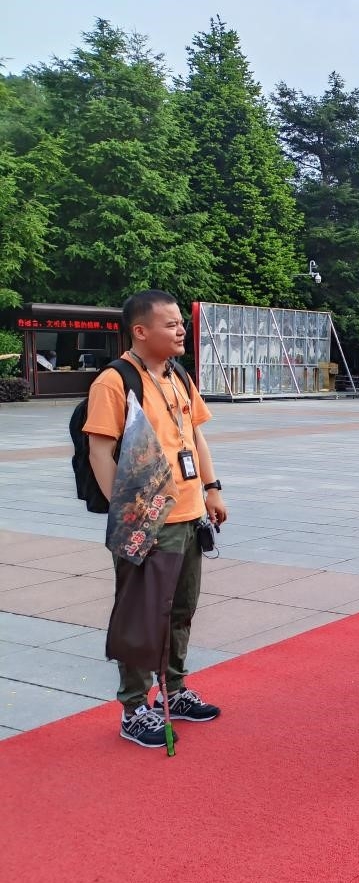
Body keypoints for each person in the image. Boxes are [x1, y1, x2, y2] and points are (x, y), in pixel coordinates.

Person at [83, 290, 227, 749]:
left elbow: (196, 437)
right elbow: (100, 451)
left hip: (188, 516)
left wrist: (211, 488)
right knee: (142, 615)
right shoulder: (115, 381)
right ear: (140, 331)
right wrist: (127, 515)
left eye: (180, 322)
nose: (180, 329)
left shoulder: (179, 375)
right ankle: (134, 707)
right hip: (147, 522)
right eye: (170, 324)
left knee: (180, 610)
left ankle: (175, 689)